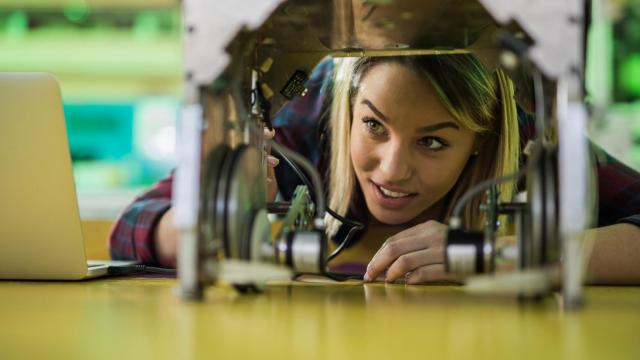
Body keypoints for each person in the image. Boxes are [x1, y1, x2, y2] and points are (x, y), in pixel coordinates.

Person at [110, 54, 640, 284]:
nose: (392, 168)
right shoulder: (310, 110)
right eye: (374, 127)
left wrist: (501, 256)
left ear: (482, 141)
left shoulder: (525, 135)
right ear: (347, 111)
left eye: (433, 141)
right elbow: (133, 225)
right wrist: (216, 224)